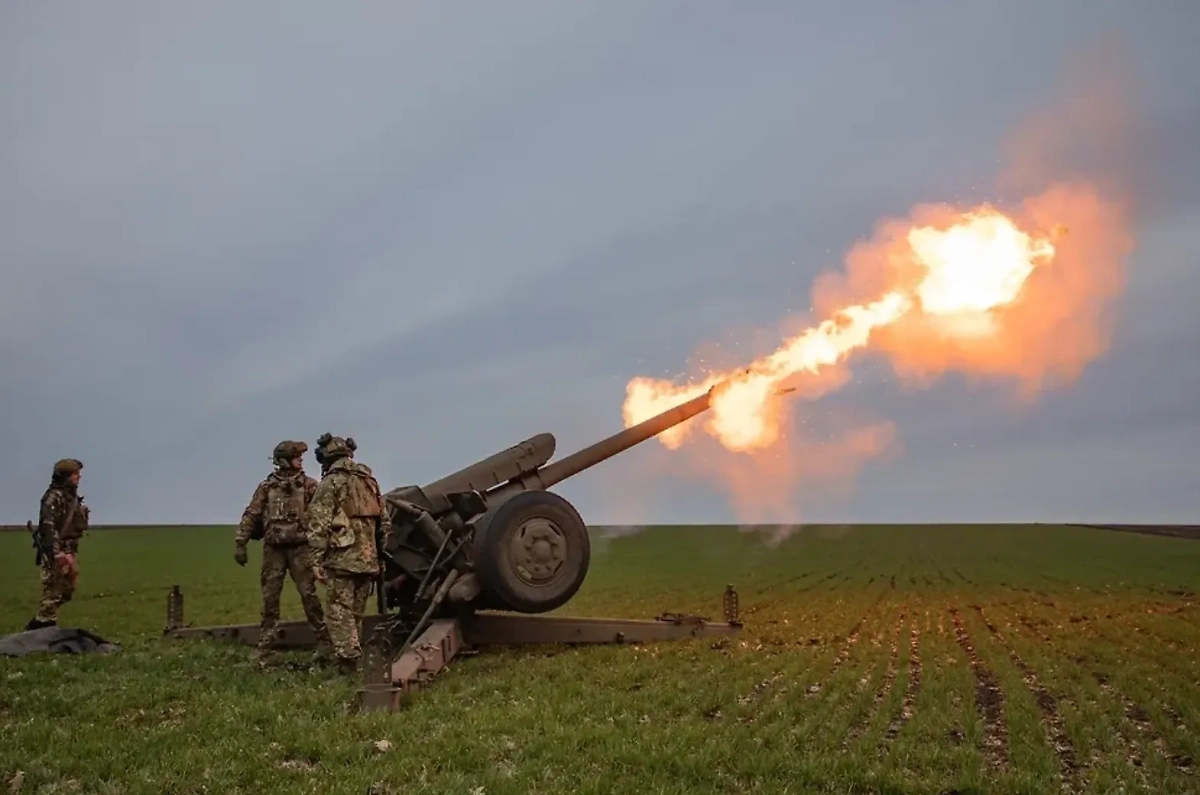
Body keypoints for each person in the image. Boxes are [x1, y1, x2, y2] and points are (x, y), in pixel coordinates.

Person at [235, 440, 332, 665]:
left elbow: (322, 515)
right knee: (270, 599)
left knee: (309, 597)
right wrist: (241, 542)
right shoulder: (267, 487)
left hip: (301, 549)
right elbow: (252, 513)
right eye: (296, 456)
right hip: (274, 550)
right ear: (283, 460)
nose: (300, 460)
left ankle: (324, 642)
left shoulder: (309, 485)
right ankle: (265, 647)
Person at [305, 433, 387, 675]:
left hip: (342, 559)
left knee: (339, 611)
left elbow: (318, 523)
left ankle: (348, 664)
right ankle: (353, 655)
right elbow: (385, 522)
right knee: (356, 613)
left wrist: (315, 560)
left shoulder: (331, 483)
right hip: (368, 558)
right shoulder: (368, 481)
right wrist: (380, 556)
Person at [26, 458, 90, 630]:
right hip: (55, 551)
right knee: (53, 591)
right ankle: (42, 627)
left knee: (66, 590)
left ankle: (42, 624)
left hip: (68, 550)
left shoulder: (72, 498)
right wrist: (56, 553)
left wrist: (69, 551)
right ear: (65, 476)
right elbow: (48, 526)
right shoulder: (53, 497)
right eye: (75, 474)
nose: (79, 477)